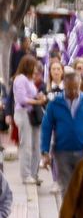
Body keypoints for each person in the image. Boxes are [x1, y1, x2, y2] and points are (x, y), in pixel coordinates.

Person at [41, 71, 83, 185]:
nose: (73, 92)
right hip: (62, 152)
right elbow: (46, 127)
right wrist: (45, 151)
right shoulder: (55, 103)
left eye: (76, 88)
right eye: (70, 89)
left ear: (79, 85)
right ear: (64, 85)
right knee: (66, 187)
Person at [12, 55, 43, 183]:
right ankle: (26, 174)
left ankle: (34, 173)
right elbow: (21, 99)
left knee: (36, 144)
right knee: (26, 145)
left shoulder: (30, 80)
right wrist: (37, 102)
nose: (36, 69)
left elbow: (31, 95)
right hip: (24, 114)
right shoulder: (21, 79)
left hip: (33, 115)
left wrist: (38, 96)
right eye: (34, 66)